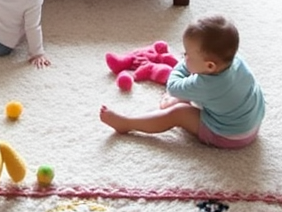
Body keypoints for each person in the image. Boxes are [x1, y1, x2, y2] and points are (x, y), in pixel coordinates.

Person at [99, 14, 262, 147]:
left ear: (210, 66)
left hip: (230, 136)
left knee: (177, 113)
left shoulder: (205, 84)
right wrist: (191, 65)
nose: (184, 57)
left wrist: (182, 66)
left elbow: (173, 85)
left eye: (187, 55)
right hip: (253, 123)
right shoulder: (236, 61)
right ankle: (184, 99)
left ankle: (127, 124)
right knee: (194, 92)